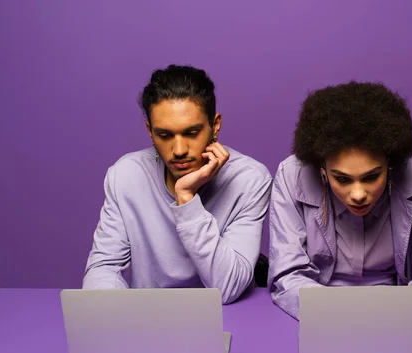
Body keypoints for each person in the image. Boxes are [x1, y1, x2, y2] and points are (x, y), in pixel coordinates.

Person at [268, 81, 412, 319]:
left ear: (390, 164)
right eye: (342, 179)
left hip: (399, 314)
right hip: (321, 315)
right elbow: (288, 274)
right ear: (322, 169)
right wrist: (339, 317)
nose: (358, 194)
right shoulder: (292, 177)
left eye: (372, 176)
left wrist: (395, 315)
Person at [83, 64, 272, 304]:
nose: (179, 150)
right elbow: (103, 267)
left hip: (227, 319)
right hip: (148, 322)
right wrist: (117, 316)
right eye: (165, 136)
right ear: (150, 132)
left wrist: (186, 197)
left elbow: (228, 287)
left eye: (192, 132)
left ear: (215, 126)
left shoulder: (249, 179)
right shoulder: (125, 175)